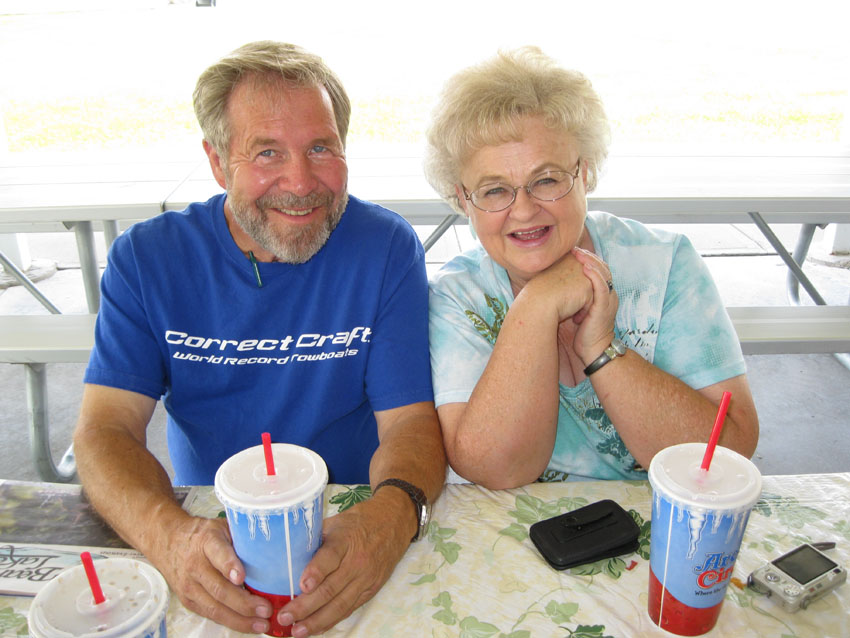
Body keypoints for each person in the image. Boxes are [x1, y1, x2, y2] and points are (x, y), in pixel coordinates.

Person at [73, 41, 446, 637]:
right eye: (267, 152)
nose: (300, 182)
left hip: (352, 515)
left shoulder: (385, 248)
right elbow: (103, 430)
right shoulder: (147, 258)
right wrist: (167, 536)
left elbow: (410, 424)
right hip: (208, 527)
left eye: (320, 148)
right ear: (219, 162)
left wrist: (391, 518)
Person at [424, 47, 758, 489]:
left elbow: (725, 452)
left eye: (546, 179)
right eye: (493, 190)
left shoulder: (664, 262)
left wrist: (600, 346)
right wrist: (539, 304)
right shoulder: (456, 296)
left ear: (587, 172)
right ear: (462, 199)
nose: (523, 210)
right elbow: (495, 469)